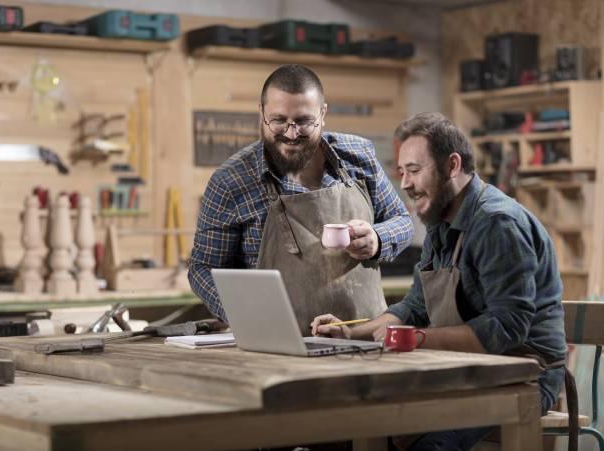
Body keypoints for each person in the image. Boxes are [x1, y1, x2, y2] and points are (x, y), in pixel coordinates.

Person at [312, 112, 568, 451]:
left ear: (452, 166)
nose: (404, 183)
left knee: (427, 445)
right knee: (348, 429)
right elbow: (415, 307)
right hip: (470, 369)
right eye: (402, 172)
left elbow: (507, 327)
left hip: (525, 376)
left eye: (415, 171)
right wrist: (349, 333)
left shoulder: (497, 224)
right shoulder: (441, 224)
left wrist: (417, 339)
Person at [188, 64, 414, 333]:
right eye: (279, 120)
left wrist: (378, 239)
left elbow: (402, 222)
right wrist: (244, 313)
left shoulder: (359, 157)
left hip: (364, 338)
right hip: (277, 343)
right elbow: (203, 269)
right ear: (261, 114)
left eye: (304, 121)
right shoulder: (231, 181)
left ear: (323, 113)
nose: (291, 133)